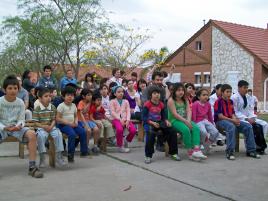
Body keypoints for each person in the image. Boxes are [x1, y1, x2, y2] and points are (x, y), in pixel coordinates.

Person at [0, 75, 43, 178]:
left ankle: (32, 167)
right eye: (10, 88)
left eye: (15, 88)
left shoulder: (20, 103)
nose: (13, 91)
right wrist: (4, 128)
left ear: (18, 89)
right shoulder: (0, 101)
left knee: (32, 134)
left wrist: (19, 126)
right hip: (3, 127)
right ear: (4, 89)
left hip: (16, 128)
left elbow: (21, 119)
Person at [214, 84, 260, 160]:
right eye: (227, 92)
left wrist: (235, 120)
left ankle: (251, 150)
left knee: (248, 126)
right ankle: (230, 151)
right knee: (231, 126)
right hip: (220, 122)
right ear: (222, 93)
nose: (229, 94)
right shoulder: (218, 101)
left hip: (230, 120)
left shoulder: (230, 101)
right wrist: (233, 121)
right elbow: (220, 116)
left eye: (230, 92)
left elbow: (232, 113)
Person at [167, 83, 207, 161]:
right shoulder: (171, 100)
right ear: (174, 91)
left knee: (195, 128)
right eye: (178, 90)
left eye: (182, 90)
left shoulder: (185, 99)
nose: (181, 92)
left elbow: (189, 110)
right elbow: (175, 114)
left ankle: (196, 150)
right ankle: (190, 153)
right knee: (186, 130)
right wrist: (186, 122)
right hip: (174, 121)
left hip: (185, 119)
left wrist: (188, 121)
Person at [143, 85, 180, 164]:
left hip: (159, 122)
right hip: (149, 123)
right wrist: (152, 122)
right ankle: (148, 155)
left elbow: (164, 116)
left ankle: (173, 153)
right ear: (150, 95)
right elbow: (144, 117)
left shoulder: (161, 104)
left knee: (172, 131)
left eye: (158, 93)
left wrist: (166, 121)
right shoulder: (147, 104)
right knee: (150, 133)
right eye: (155, 93)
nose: (157, 95)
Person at [32, 87, 66, 168]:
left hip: (52, 127)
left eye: (49, 96)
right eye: (46, 96)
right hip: (41, 128)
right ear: (40, 98)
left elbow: (54, 119)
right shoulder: (37, 109)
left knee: (58, 134)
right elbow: (35, 123)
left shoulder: (53, 107)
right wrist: (43, 126)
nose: (48, 98)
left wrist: (51, 126)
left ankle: (59, 157)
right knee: (40, 136)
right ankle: (42, 159)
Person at [231, 80, 267, 154]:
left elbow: (250, 109)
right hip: (240, 118)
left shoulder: (248, 97)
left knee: (264, 124)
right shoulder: (234, 97)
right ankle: (252, 146)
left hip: (249, 117)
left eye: (247, 87)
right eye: (244, 87)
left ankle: (260, 145)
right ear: (239, 88)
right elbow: (235, 112)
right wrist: (247, 119)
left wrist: (252, 117)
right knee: (250, 126)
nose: (246, 89)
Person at [56, 86, 88, 162]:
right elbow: (58, 119)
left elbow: (76, 116)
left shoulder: (73, 105)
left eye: (72, 95)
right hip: (63, 125)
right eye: (68, 95)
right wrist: (70, 124)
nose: (70, 97)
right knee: (72, 134)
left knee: (83, 132)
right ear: (63, 96)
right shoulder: (61, 106)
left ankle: (84, 151)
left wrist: (76, 121)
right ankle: (70, 154)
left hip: (73, 124)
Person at [192, 88, 223, 153]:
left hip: (205, 120)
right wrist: (194, 125)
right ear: (198, 97)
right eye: (203, 95)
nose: (206, 96)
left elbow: (210, 116)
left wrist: (212, 124)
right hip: (198, 121)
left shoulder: (208, 104)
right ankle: (201, 144)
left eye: (207, 95)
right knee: (204, 132)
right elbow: (193, 116)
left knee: (215, 132)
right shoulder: (195, 104)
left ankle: (208, 143)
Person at [110, 86, 136, 153]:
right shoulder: (112, 101)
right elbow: (112, 112)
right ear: (115, 94)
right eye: (119, 92)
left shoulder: (126, 101)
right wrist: (120, 119)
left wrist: (127, 120)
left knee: (133, 130)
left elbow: (128, 111)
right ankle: (120, 146)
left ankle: (126, 140)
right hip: (116, 119)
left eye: (122, 92)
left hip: (125, 119)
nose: (121, 93)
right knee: (119, 129)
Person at [77, 89, 100, 154]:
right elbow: (82, 112)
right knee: (88, 130)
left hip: (88, 120)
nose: (90, 96)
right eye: (88, 95)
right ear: (83, 96)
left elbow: (92, 112)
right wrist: (85, 124)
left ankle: (95, 146)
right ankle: (85, 147)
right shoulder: (81, 103)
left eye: (91, 95)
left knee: (96, 129)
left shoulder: (91, 103)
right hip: (81, 120)